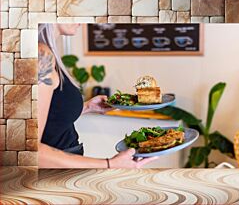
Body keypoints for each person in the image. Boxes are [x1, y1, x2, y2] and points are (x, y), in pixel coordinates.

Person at [38, 24, 157, 168]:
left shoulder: (46, 52)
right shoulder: (41, 56)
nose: (81, 21)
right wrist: (110, 164)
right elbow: (30, 151)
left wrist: (87, 107)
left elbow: (51, 119)